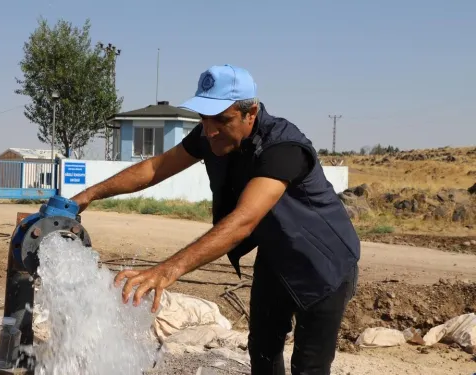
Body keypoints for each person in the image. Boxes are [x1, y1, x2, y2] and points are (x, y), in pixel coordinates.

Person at [71, 64, 360, 375]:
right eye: (204, 119)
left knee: (309, 366)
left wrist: (169, 270)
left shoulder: (283, 148)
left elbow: (244, 221)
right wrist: (88, 195)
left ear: (251, 113)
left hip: (324, 264)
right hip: (276, 260)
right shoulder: (211, 134)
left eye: (222, 120)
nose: (209, 130)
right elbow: (155, 168)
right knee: (262, 351)